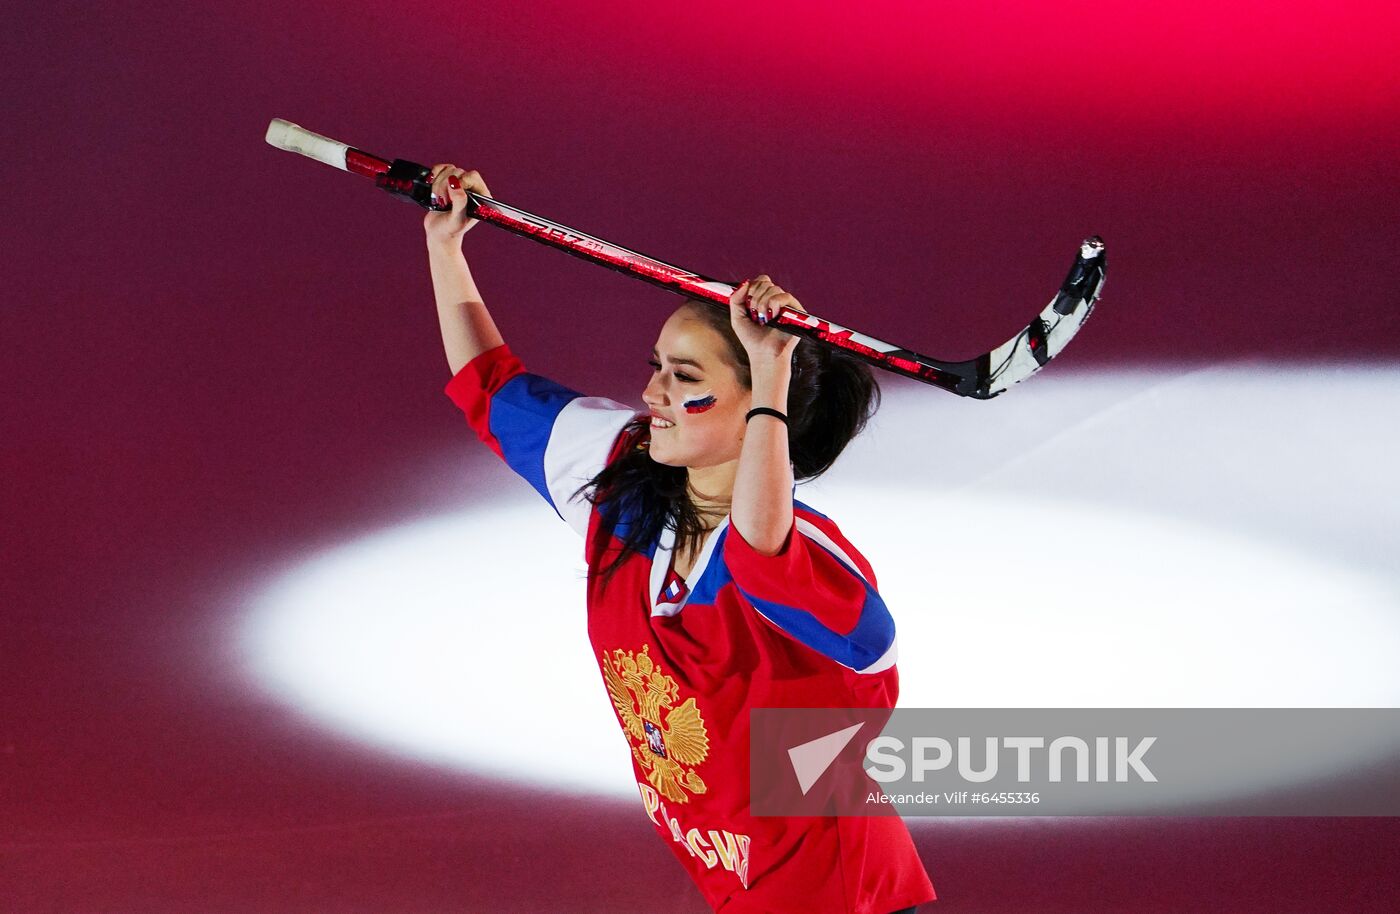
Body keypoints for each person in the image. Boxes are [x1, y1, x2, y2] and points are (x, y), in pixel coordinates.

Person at [425, 164, 936, 914]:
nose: (652, 394)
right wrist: (447, 247)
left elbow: (762, 552)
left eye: (683, 376)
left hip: (839, 899)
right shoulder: (622, 488)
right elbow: (491, 387)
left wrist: (772, 367)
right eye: (657, 368)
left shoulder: (817, 571)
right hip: (726, 882)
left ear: (759, 403)